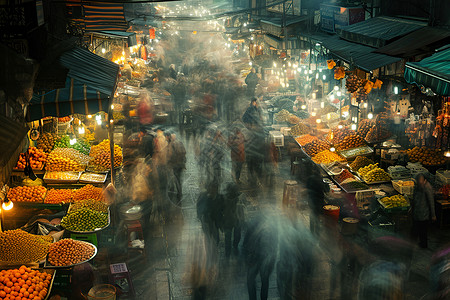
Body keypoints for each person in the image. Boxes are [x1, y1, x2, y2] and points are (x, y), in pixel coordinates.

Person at [411, 173, 436, 248]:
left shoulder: (427, 187)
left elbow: (431, 202)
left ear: (425, 181)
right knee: (416, 229)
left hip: (424, 214)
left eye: (421, 182)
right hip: (417, 212)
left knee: (423, 231)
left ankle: (423, 244)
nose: (420, 183)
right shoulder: (417, 186)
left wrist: (433, 215)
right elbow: (415, 198)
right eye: (419, 182)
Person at [221, 183, 244, 257]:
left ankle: (234, 248)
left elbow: (242, 209)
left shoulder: (239, 198)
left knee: (236, 236)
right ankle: (228, 252)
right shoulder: (224, 199)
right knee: (228, 238)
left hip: (237, 221)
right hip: (228, 221)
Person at [167, 133, 186, 202]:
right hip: (181, 164)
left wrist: (168, 162)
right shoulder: (180, 143)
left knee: (176, 179)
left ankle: (179, 193)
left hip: (175, 164)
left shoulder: (171, 144)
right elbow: (184, 152)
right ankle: (179, 192)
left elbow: (170, 154)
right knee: (179, 178)